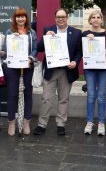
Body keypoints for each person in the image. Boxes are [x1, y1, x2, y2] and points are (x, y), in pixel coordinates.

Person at [33, 8, 82, 136]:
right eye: (58, 17)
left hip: (67, 71)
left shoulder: (76, 33)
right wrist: (45, 38)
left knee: (63, 99)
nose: (61, 19)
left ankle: (61, 124)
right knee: (46, 99)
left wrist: (75, 62)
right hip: (51, 70)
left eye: (63, 16)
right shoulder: (48, 30)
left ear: (67, 18)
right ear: (55, 18)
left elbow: (79, 51)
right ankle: (41, 124)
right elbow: (39, 48)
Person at [3, 7, 37, 136]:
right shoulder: (9, 32)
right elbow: (5, 49)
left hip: (27, 67)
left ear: (26, 18)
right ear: (15, 18)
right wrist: (13, 39)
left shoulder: (31, 32)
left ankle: (26, 122)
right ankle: (11, 122)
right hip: (12, 67)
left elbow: (34, 49)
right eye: (18, 16)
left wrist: (30, 58)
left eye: (23, 16)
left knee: (28, 94)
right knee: (12, 94)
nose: (20, 18)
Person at [82, 10, 106, 136]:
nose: (95, 19)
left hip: (103, 69)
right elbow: (82, 50)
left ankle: (101, 123)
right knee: (91, 95)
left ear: (102, 20)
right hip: (90, 69)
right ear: (90, 20)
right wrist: (87, 40)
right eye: (93, 17)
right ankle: (89, 122)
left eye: (98, 17)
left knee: (101, 96)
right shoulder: (85, 34)